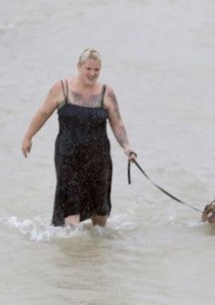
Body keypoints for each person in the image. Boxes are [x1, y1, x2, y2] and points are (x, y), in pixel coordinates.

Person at [21, 48, 137, 227]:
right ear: (79, 66)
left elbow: (117, 123)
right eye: (88, 68)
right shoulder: (61, 88)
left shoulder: (106, 93)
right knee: (71, 209)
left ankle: (97, 251)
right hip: (68, 156)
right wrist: (28, 137)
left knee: (100, 212)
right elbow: (43, 113)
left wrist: (127, 147)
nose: (92, 73)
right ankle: (73, 251)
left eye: (96, 70)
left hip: (98, 158)